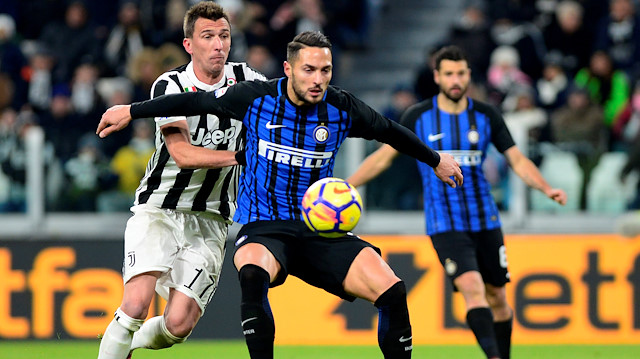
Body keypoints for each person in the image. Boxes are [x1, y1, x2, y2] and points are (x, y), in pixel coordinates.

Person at [97, 31, 463, 359]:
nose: (318, 80)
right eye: (309, 70)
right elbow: (192, 103)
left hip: (320, 228)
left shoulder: (340, 108)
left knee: (393, 291)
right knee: (253, 273)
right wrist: (131, 110)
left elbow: (389, 130)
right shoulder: (255, 98)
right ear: (288, 69)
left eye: (325, 70)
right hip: (264, 227)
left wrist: (435, 160)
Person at [347, 45, 567, 359]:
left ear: (468, 76)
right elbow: (383, 159)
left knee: (498, 298)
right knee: (473, 289)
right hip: (444, 224)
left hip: (485, 220)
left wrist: (546, 189)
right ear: (437, 76)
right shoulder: (418, 116)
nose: (455, 80)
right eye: (448, 73)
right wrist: (344, 186)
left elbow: (517, 160)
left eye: (460, 73)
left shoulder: (486, 115)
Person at [96, 3, 266, 359]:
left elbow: (282, 106)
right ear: (189, 45)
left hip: (212, 219)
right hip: (160, 209)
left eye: (224, 36)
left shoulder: (249, 81)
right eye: (208, 37)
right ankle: (123, 335)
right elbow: (183, 155)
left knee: (178, 325)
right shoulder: (170, 84)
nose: (218, 45)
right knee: (136, 303)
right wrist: (242, 158)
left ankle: (130, 344)